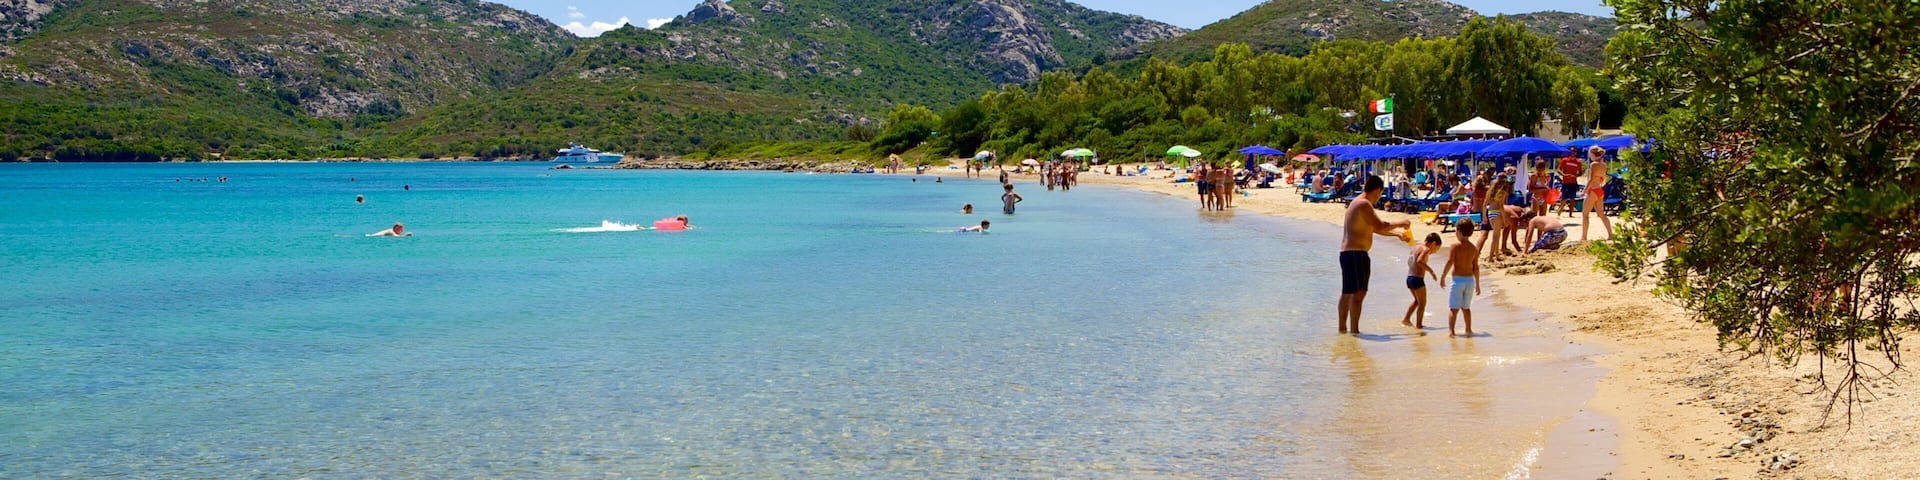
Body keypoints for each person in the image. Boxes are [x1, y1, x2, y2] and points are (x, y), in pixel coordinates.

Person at [1337, 175, 1413, 335]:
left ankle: (1351, 331)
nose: (1380, 196)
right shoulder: (1364, 204)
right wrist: (1401, 222)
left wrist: (1397, 234)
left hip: (1356, 254)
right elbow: (1380, 225)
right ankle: (1347, 330)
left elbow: (1375, 229)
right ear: (1378, 190)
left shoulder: (1360, 203)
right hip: (1354, 253)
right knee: (1351, 292)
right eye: (1381, 192)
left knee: (1357, 292)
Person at [1439, 218, 1482, 338]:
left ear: (1458, 231)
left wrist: (1443, 276)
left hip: (1457, 280)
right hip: (1469, 281)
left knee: (1453, 308)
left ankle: (1451, 332)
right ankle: (1468, 329)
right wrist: (1477, 284)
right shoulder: (1473, 248)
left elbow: (1449, 261)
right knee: (1466, 308)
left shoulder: (1455, 246)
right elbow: (1476, 268)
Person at [1402, 233, 1443, 329]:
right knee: (1422, 303)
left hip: (1409, 277)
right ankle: (1419, 325)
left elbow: (1410, 261)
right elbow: (1419, 261)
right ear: (1433, 243)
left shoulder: (1415, 247)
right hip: (1417, 279)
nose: (1435, 252)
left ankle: (1406, 319)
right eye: (1436, 248)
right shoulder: (1426, 249)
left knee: (1417, 301)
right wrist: (1431, 271)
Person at [1581, 146, 1615, 241]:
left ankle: (1584, 237)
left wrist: (1584, 191)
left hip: (1592, 190)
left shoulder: (1593, 164)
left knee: (1585, 214)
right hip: (1599, 190)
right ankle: (1610, 234)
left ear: (1592, 154)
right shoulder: (1603, 165)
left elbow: (1591, 179)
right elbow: (1602, 179)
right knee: (1601, 214)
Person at [1558, 149, 1583, 215]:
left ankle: (1570, 213)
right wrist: (1564, 175)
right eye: (1572, 151)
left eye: (1574, 151)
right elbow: (1559, 170)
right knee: (1564, 197)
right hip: (1565, 182)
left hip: (1573, 182)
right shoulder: (1564, 160)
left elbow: (1580, 173)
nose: (1573, 153)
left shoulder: (1578, 162)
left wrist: (1575, 176)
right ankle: (1560, 211)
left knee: (1572, 198)